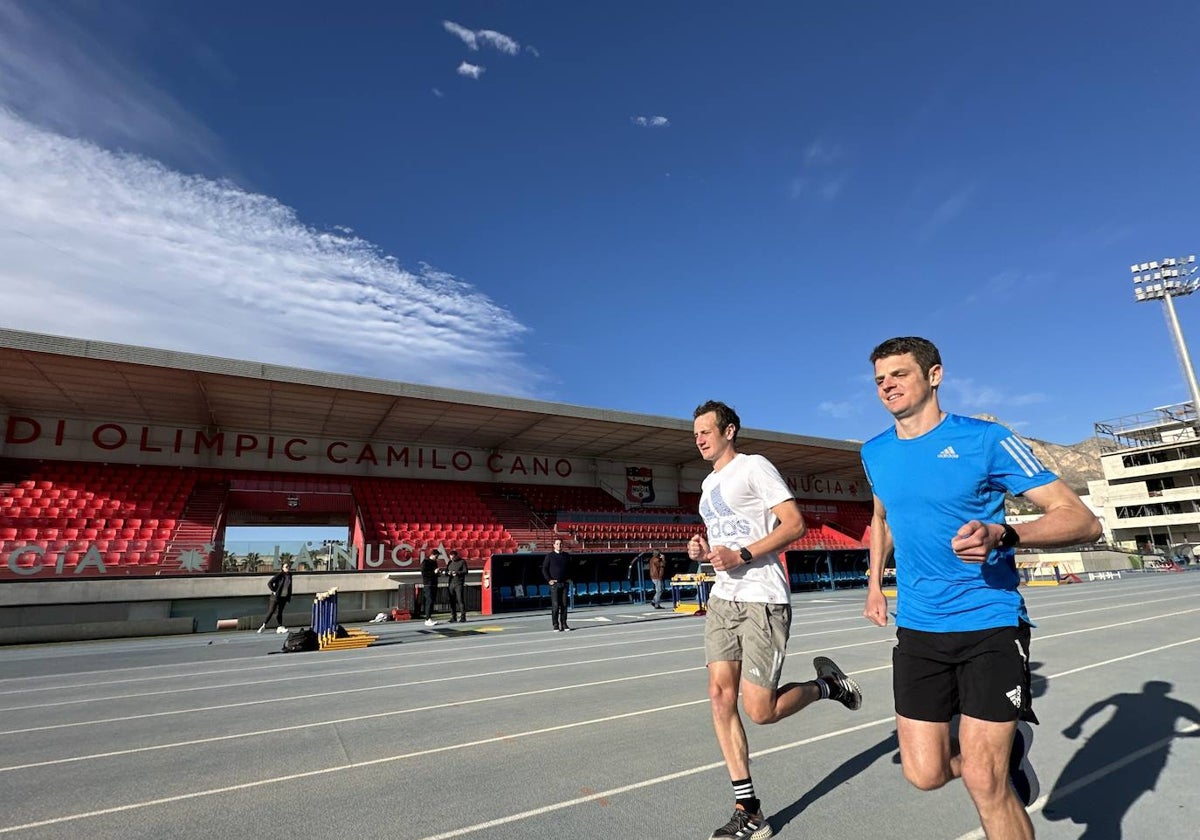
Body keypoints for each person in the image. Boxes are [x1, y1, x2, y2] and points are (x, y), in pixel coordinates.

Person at [861, 336, 1101, 840]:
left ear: (934, 376)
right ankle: (1009, 749)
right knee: (923, 773)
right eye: (880, 378)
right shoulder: (874, 452)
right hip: (920, 627)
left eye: (899, 374)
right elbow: (881, 516)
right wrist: (875, 584)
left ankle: (994, 764)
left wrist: (1005, 533)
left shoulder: (985, 440)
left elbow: (1081, 520)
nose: (887, 385)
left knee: (984, 780)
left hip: (989, 621)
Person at [690, 400, 862, 840]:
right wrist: (702, 549)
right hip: (724, 598)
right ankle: (749, 811)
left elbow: (794, 524)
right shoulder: (708, 484)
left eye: (706, 431)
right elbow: (724, 538)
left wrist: (743, 554)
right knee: (718, 697)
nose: (700, 439)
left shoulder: (754, 467)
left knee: (759, 711)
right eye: (695, 434)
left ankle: (827, 687)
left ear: (729, 431)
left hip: (762, 600)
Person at [542, 538, 573, 632]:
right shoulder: (549, 556)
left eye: (560, 544)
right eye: (557, 544)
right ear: (554, 545)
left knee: (564, 605)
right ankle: (556, 625)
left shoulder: (566, 556)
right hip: (554, 585)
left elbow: (571, 568)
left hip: (564, 583)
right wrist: (549, 580)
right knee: (555, 605)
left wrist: (570, 578)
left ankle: (564, 624)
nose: (559, 545)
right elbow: (544, 569)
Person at [257, 560, 294, 634]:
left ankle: (280, 627)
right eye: (286, 567)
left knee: (280, 612)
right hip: (275, 597)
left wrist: (288, 596)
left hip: (283, 597)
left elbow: (289, 587)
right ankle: (263, 625)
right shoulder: (279, 575)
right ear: (282, 568)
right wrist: (274, 591)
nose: (288, 568)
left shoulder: (290, 575)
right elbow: (270, 583)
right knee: (271, 611)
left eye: (289, 566)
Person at [444, 549, 469, 623]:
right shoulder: (449, 562)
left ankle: (463, 617)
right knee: (452, 601)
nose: (452, 559)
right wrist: (448, 573)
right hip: (451, 583)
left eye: (453, 557)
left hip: (459, 583)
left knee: (460, 600)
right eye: (450, 557)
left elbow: (465, 571)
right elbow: (445, 572)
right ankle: (453, 617)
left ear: (456, 556)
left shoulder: (462, 561)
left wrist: (457, 573)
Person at [420, 550, 441, 627]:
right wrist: (434, 572)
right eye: (436, 556)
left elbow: (434, 573)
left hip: (434, 583)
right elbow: (424, 573)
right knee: (429, 601)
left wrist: (438, 573)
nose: (437, 557)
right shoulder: (425, 562)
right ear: (432, 555)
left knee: (432, 601)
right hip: (428, 584)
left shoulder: (435, 562)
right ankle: (427, 619)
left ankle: (429, 618)